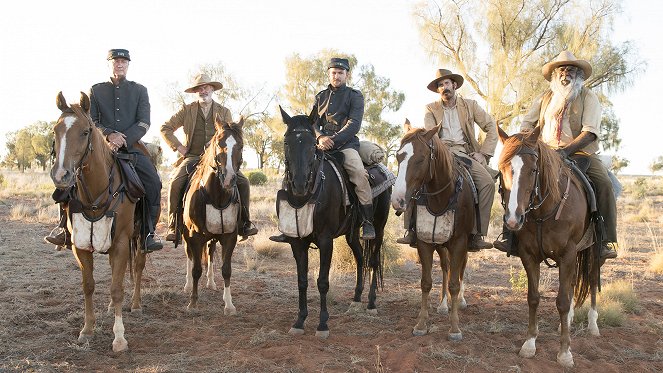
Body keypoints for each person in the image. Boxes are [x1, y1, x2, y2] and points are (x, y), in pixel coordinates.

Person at [493, 50, 618, 260]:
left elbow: (590, 132)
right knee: (514, 180)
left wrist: (564, 152)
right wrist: (527, 142)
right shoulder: (545, 98)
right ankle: (511, 237)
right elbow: (526, 124)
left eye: (570, 69)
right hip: (544, 152)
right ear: (555, 74)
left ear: (578, 74)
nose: (565, 73)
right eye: (561, 69)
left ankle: (605, 240)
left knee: (604, 183)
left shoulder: (588, 96)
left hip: (579, 153)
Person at [45, 49, 163, 252]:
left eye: (124, 61)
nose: (120, 64)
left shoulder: (140, 90)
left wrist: (123, 139)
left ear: (128, 65)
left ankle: (148, 233)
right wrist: (109, 135)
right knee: (68, 179)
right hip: (99, 148)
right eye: (116, 61)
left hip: (132, 149)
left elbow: (144, 123)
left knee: (153, 182)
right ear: (109, 64)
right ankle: (64, 228)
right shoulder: (96, 90)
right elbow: (92, 122)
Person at [271, 57, 375, 242]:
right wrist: (319, 137)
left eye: (340, 73)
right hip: (320, 145)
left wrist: (332, 140)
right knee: (296, 171)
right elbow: (314, 122)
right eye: (333, 73)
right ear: (329, 74)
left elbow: (354, 125)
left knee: (359, 174)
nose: (337, 76)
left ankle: (367, 221)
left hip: (346, 146)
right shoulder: (320, 96)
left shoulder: (355, 96)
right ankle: (289, 225)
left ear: (347, 75)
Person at [396, 69, 497, 251]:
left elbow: (491, 127)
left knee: (488, 184)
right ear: (437, 90)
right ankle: (410, 230)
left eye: (447, 84)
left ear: (455, 85)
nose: (444, 88)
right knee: (414, 174)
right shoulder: (430, 108)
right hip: (440, 153)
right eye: (440, 85)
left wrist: (484, 153)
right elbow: (430, 134)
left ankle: (477, 234)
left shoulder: (471, 105)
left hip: (464, 154)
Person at [160, 73, 258, 242]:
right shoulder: (187, 110)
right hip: (192, 157)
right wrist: (180, 147)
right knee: (175, 182)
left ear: (212, 89)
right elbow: (165, 128)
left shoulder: (224, 111)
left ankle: (244, 223)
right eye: (199, 88)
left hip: (217, 160)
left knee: (244, 182)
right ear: (195, 91)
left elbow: (228, 136)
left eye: (206, 87)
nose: (203, 90)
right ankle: (173, 224)